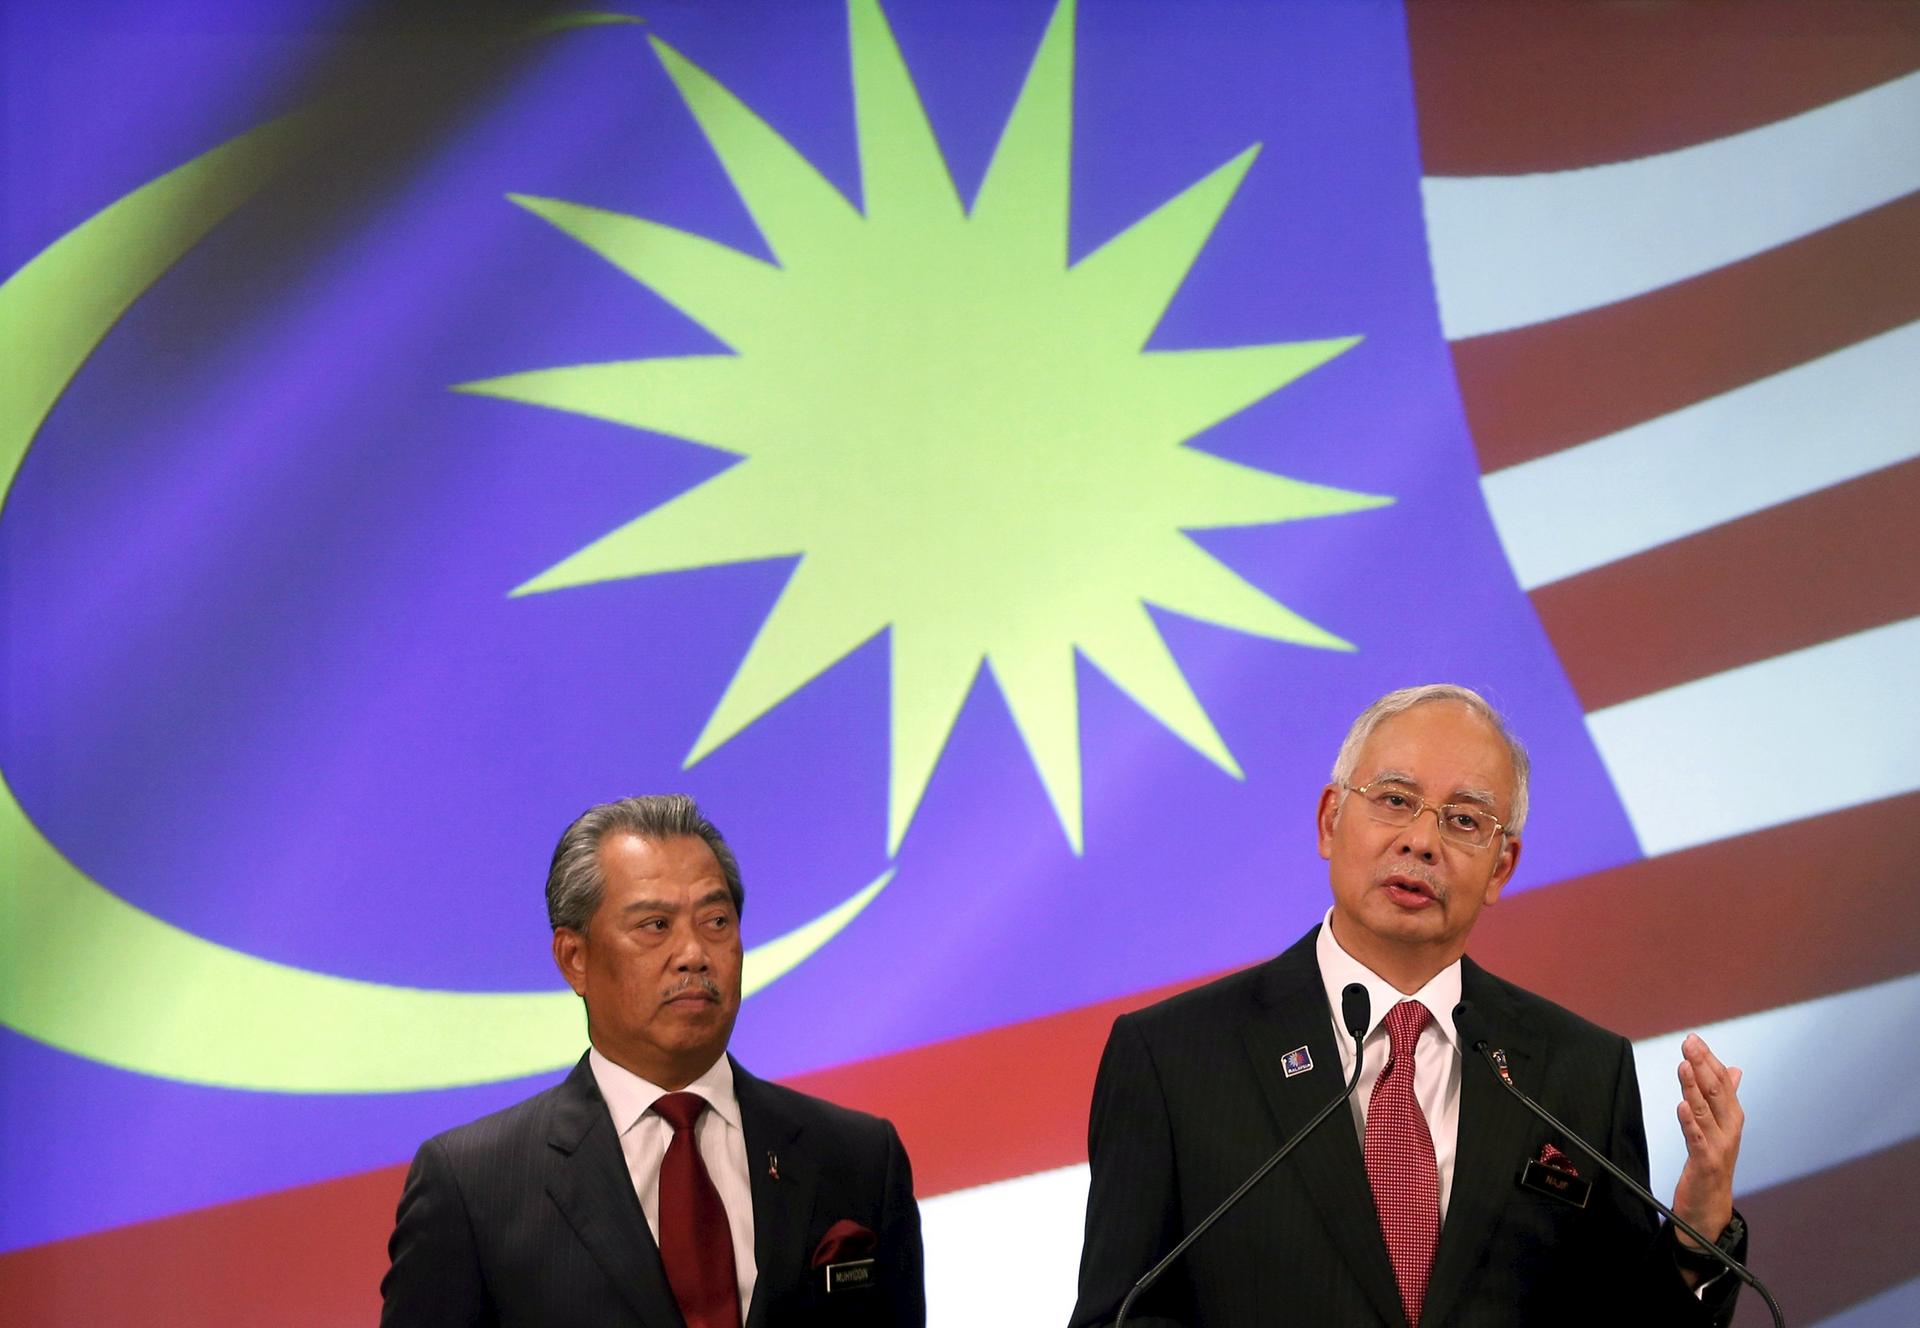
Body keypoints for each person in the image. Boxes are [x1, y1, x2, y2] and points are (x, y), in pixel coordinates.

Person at [1070, 685, 1748, 1327]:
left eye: (1463, 820)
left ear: (1501, 867)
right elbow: (1120, 1316)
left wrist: (1697, 1233)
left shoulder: (1579, 1074)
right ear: (1330, 820)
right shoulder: (1175, 1060)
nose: (1422, 840)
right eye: (1394, 800)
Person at [381, 794, 924, 1327]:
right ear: (575, 959)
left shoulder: (858, 1158)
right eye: (656, 925)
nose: (693, 953)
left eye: (716, 921)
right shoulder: (474, 1186)